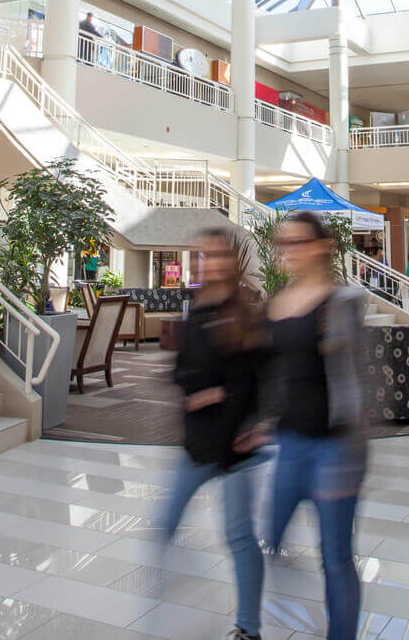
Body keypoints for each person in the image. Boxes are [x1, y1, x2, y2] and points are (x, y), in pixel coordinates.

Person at [265, 211, 368, 640]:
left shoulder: (341, 303)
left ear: (322, 247)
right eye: (283, 244)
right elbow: (269, 372)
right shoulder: (276, 303)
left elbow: (355, 375)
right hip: (289, 443)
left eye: (298, 243)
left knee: (335, 556)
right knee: (270, 532)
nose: (288, 252)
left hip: (335, 446)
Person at [159, 228, 266, 640]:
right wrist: (199, 391)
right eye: (206, 256)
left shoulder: (247, 313)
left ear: (231, 263)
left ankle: (248, 627)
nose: (213, 262)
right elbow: (181, 371)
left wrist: (222, 398)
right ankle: (182, 598)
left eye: (220, 255)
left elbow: (252, 382)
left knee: (239, 536)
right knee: (166, 522)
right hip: (199, 444)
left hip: (236, 446)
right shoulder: (197, 310)